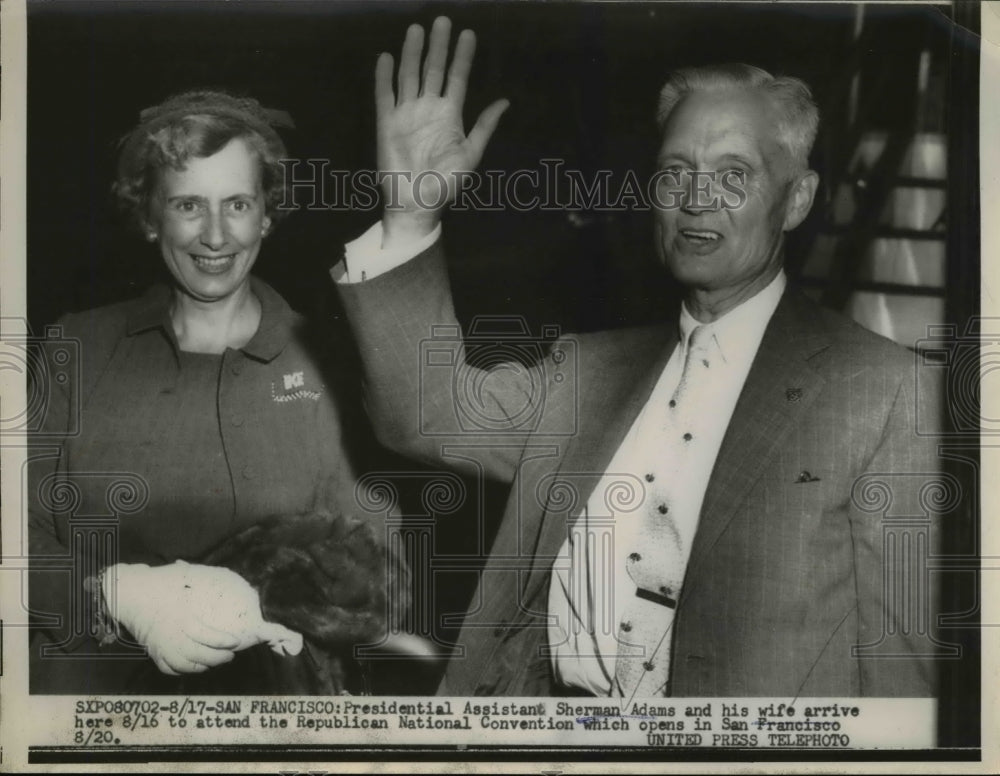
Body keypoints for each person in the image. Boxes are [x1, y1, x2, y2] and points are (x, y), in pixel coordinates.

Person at [333, 18, 945, 699]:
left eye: (733, 173)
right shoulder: (583, 373)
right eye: (674, 171)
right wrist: (410, 218)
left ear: (796, 199)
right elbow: (421, 416)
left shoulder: (885, 392)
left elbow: (901, 676)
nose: (694, 198)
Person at [27, 90, 392, 694]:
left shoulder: (333, 358)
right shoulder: (78, 346)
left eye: (239, 204)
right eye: (189, 204)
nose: (217, 235)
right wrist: (113, 592)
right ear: (149, 216)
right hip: (88, 707)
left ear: (267, 214)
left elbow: (379, 571)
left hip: (274, 715)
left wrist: (260, 599)